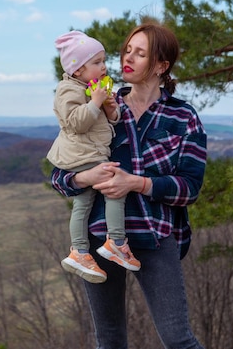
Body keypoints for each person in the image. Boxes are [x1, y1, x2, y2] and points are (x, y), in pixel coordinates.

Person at [50, 22, 207, 349]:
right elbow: (60, 175)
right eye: (127, 50)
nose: (128, 58)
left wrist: (135, 183)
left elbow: (189, 187)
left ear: (161, 66)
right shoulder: (102, 103)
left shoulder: (183, 118)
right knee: (109, 340)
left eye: (141, 53)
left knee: (179, 340)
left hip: (155, 236)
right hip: (99, 240)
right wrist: (85, 178)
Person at [47, 30, 141, 284]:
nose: (104, 67)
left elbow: (108, 123)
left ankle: (79, 251)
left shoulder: (91, 87)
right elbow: (76, 123)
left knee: (84, 201)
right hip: (82, 154)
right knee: (115, 188)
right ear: (77, 70)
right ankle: (117, 242)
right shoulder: (68, 89)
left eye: (103, 61)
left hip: (91, 152)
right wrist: (95, 102)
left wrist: (110, 108)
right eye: (97, 62)